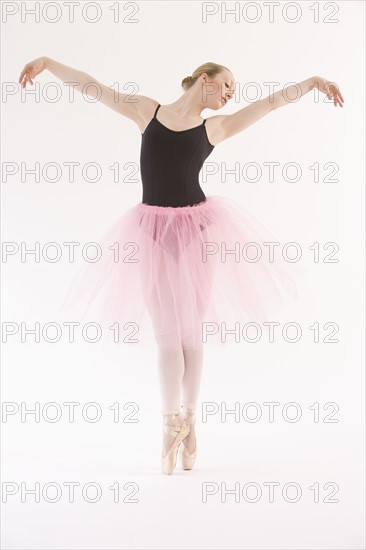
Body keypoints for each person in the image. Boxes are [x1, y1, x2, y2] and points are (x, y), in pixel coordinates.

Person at [18, 59, 344, 475]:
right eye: (226, 84)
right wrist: (47, 64)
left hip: (199, 230)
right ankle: (169, 422)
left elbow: (269, 105)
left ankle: (190, 422)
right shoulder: (146, 112)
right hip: (151, 229)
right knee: (165, 333)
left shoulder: (215, 128)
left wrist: (312, 82)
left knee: (191, 329)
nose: (230, 94)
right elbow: (92, 86)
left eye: (233, 90)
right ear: (203, 79)